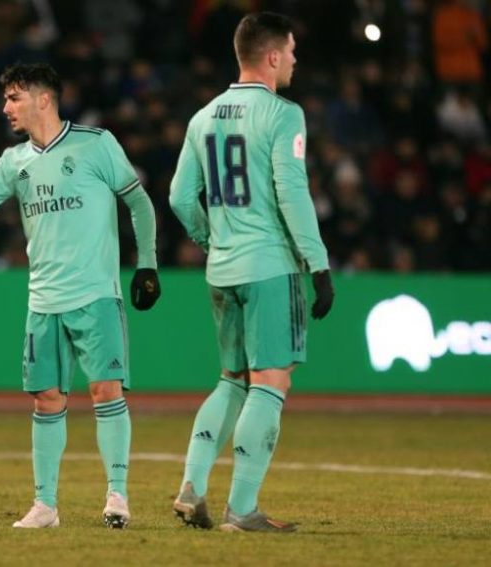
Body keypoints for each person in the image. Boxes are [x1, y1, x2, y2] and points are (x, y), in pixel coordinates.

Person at [0, 63, 160, 529]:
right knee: (47, 399)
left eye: (13, 97)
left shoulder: (96, 143)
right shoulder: (16, 161)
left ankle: (117, 496)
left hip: (96, 294)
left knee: (105, 390)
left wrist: (147, 263)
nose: (5, 107)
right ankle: (45, 506)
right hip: (43, 301)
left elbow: (138, 201)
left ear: (43, 99)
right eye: (6, 99)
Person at [168, 12, 334, 533]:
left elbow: (177, 197)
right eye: (290, 50)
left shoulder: (203, 117)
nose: (295, 59)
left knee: (231, 380)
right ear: (270, 56)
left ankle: (191, 486)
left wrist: (210, 239)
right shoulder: (284, 115)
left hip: (222, 270)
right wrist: (319, 263)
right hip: (268, 266)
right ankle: (242, 510)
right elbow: (292, 192)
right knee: (271, 381)